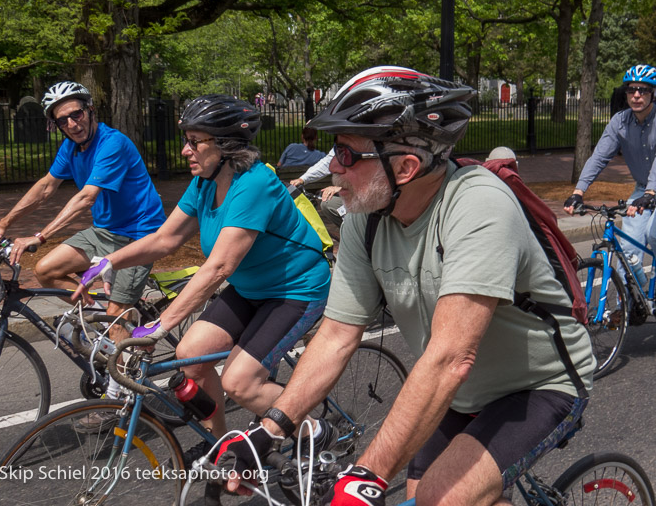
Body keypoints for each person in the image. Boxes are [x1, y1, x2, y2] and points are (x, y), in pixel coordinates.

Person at [215, 66, 595, 505]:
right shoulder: (365, 218)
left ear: (407, 166)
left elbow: (451, 356)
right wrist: (269, 431)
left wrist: (367, 475)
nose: (333, 169)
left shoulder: (478, 204)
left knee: (439, 497)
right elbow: (337, 335)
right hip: (460, 392)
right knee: (417, 491)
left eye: (347, 154)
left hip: (538, 385)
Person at [72, 94, 331, 466]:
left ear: (226, 146)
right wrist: (108, 262)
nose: (184, 151)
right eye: (186, 141)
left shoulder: (253, 184)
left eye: (194, 142)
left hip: (296, 290)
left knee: (240, 383)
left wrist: (160, 324)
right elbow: (166, 238)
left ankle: (316, 430)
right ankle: (220, 442)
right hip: (250, 288)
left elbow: (219, 268)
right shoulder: (205, 181)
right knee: (190, 357)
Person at [0, 81, 166, 412]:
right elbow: (47, 186)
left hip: (140, 237)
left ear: (91, 111)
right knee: (47, 269)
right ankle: (111, 323)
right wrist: (4, 223)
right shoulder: (72, 147)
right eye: (61, 120)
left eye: (76, 115)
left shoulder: (112, 143)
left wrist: (39, 235)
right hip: (104, 230)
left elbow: (86, 197)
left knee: (112, 319)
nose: (71, 124)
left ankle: (118, 400)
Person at [563, 64, 656, 306]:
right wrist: (578, 192)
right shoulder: (619, 122)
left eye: (643, 90)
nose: (636, 95)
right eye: (631, 90)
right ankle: (628, 305)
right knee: (626, 247)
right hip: (644, 188)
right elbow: (600, 156)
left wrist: (650, 193)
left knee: (655, 234)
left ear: (653, 93)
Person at [290, 147, 345, 229]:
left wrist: (342, 188)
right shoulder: (343, 142)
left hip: (367, 199)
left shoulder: (366, 142)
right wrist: (303, 179)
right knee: (327, 203)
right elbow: (328, 162)